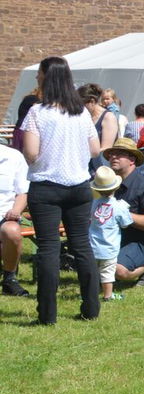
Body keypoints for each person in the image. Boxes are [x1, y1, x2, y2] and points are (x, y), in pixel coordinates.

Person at [19, 55, 101, 325]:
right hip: (78, 187)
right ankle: (91, 308)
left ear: (46, 77)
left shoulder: (37, 112)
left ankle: (47, 315)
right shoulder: (81, 113)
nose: (36, 79)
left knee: (48, 249)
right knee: (82, 246)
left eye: (38, 75)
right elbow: (94, 149)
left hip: (46, 186)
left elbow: (30, 153)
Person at [101, 137, 144, 287]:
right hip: (117, 237)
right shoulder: (108, 184)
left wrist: (122, 214)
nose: (113, 157)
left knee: (117, 271)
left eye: (119, 153)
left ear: (132, 159)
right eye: (111, 154)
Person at [88, 165, 133, 303]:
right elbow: (126, 223)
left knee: (93, 273)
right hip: (109, 247)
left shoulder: (93, 203)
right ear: (116, 187)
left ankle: (90, 294)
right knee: (107, 273)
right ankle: (108, 295)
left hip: (92, 245)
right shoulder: (119, 206)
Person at [0, 138, 29, 297]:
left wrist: (16, 210)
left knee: (12, 231)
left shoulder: (13, 157)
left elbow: (22, 192)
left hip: (4, 214)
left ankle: (9, 279)